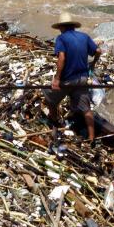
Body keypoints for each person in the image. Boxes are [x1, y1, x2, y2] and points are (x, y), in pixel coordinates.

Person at [44, 12, 101, 143]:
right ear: (73, 26)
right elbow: (98, 51)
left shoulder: (61, 38)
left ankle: (56, 122)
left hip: (68, 80)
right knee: (86, 109)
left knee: (50, 99)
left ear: (61, 27)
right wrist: (93, 63)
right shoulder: (84, 36)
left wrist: (57, 79)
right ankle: (92, 138)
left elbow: (62, 58)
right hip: (82, 79)